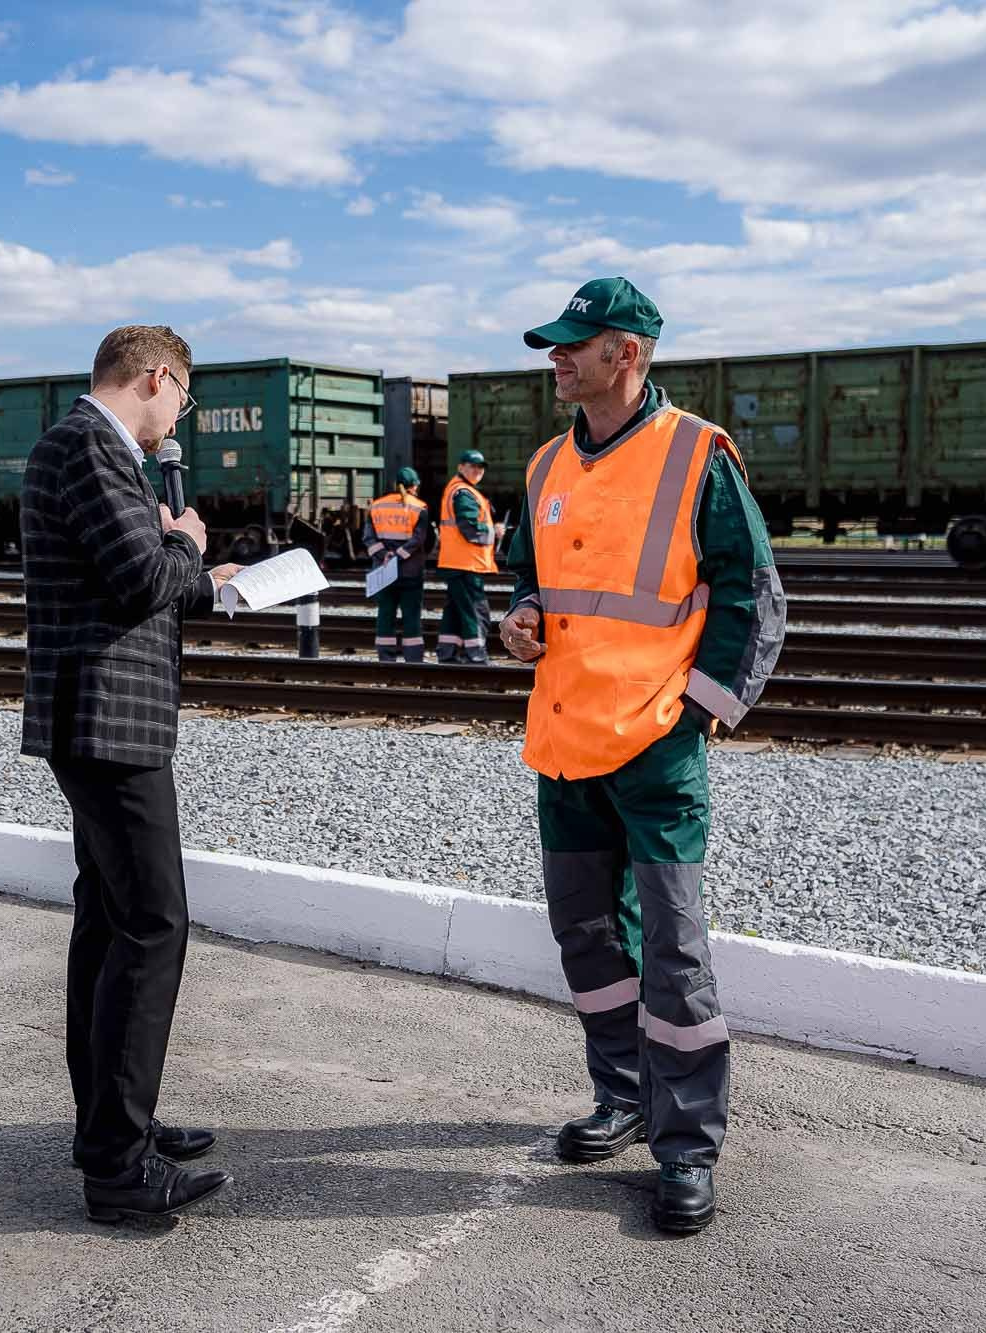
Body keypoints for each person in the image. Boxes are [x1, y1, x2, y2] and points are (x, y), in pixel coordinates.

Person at [498, 277, 787, 1236]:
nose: (558, 358)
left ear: (629, 352)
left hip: (657, 749)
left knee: (672, 950)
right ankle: (621, 1097)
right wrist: (522, 620)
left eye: (576, 344)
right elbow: (531, 580)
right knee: (587, 939)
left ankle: (688, 1147)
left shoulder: (698, 454)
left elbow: (754, 594)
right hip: (564, 739)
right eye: (555, 344)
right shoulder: (543, 465)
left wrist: (698, 712)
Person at [20, 324, 242, 1224]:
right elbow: (138, 578)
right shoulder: (86, 448)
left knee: (111, 926)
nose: (176, 419)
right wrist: (186, 544)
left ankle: (114, 1125)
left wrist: (186, 562)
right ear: (157, 378)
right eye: (181, 400)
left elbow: (140, 574)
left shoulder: (92, 451)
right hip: (109, 723)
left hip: (106, 719)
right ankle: (118, 1166)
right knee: (153, 926)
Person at [362, 467, 434, 661]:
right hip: (410, 572)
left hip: (384, 572)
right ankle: (413, 658)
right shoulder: (419, 507)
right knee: (411, 616)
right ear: (415, 486)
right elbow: (420, 540)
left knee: (385, 615)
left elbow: (368, 538)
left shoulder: (377, 506)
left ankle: (386, 657)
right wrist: (399, 556)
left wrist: (386, 555)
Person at [436, 450, 498, 663]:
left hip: (457, 562)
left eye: (480, 468)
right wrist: (495, 532)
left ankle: (447, 653)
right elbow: (470, 528)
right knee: (475, 609)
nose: (478, 471)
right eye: (473, 466)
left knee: (454, 610)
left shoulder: (460, 490)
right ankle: (477, 655)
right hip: (466, 564)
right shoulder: (463, 493)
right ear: (461, 467)